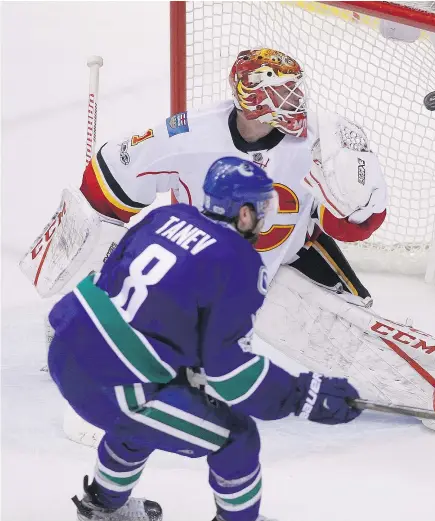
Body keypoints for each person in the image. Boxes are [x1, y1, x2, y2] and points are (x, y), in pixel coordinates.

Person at [24, 48, 435, 432]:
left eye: (296, 89)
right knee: (186, 339)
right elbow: (107, 180)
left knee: (350, 330)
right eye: (281, 93)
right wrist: (78, 262)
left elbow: (355, 228)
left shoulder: (322, 138)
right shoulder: (190, 136)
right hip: (216, 275)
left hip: (295, 252)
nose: (295, 102)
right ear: (250, 100)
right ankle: (94, 323)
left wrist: (353, 188)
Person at [47, 157, 361, 521]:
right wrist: (303, 394)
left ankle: (101, 507)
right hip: (117, 384)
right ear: (243, 214)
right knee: (236, 436)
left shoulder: (162, 218)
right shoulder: (240, 261)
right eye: (261, 207)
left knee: (151, 409)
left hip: (67, 348)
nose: (263, 218)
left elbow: (119, 286)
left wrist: (184, 364)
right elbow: (233, 377)